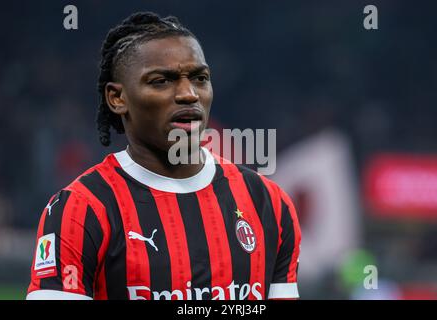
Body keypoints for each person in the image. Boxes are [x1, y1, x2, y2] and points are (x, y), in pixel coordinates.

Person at [26, 11, 301, 300]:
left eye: (200, 78)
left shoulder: (267, 202)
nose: (188, 94)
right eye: (161, 81)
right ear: (117, 98)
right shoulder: (81, 208)